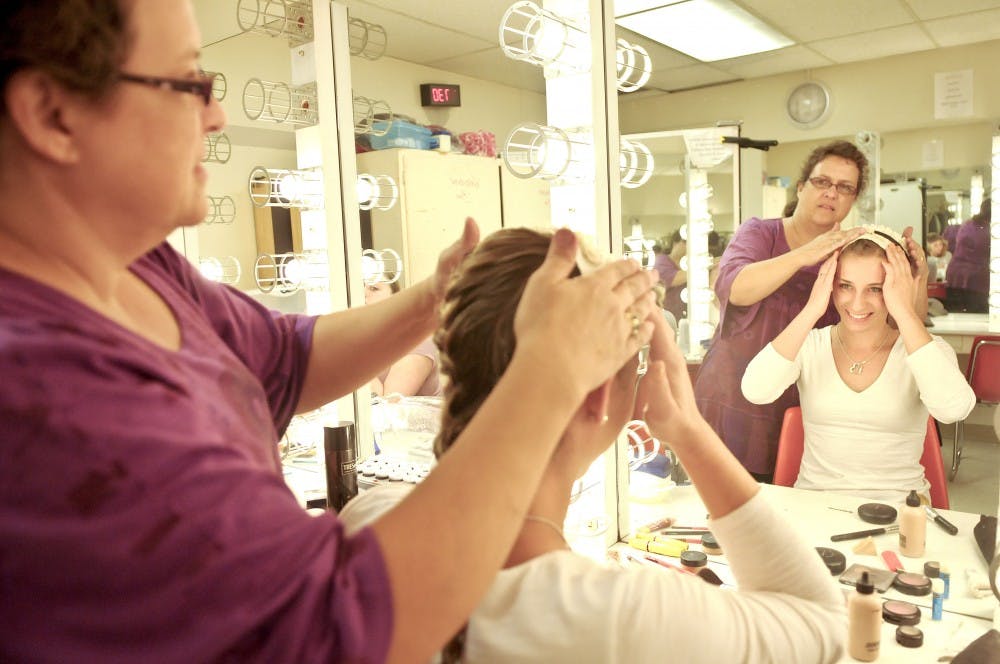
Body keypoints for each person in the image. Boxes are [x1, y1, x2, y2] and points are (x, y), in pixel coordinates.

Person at [0, 2, 660, 661]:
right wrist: (550, 372)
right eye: (188, 84)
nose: (216, 114)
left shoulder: (139, 266)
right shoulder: (47, 394)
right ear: (53, 115)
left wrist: (432, 298)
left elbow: (285, 355)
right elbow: (340, 627)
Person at [341, 228, 846, 663]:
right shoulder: (624, 617)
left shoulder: (369, 521)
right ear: (600, 394)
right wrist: (690, 430)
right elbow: (821, 621)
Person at [693, 140, 929, 482]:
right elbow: (734, 288)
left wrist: (916, 278)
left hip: (807, 411)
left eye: (845, 187)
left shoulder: (851, 254)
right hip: (734, 401)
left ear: (852, 200)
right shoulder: (760, 233)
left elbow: (905, 323)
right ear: (802, 187)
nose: (832, 193)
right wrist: (806, 253)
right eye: (822, 182)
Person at [742, 227, 974, 502]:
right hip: (816, 507)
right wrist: (812, 309)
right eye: (845, 286)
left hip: (901, 513)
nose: (857, 302)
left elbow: (954, 409)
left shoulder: (921, 349)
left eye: (875, 288)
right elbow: (755, 390)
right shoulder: (810, 345)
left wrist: (904, 310)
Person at [365, 277, 441, 397]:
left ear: (396, 298)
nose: (364, 294)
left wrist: (349, 353)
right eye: (359, 287)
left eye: (374, 288)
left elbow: (387, 404)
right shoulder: (369, 341)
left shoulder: (416, 337)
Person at [946, 198, 991, 313]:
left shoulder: (968, 224)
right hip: (976, 279)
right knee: (977, 319)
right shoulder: (989, 231)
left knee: (956, 319)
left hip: (955, 276)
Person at [653, 228, 686, 320]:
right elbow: (674, 279)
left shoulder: (689, 265)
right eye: (685, 243)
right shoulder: (662, 261)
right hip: (667, 318)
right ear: (675, 243)